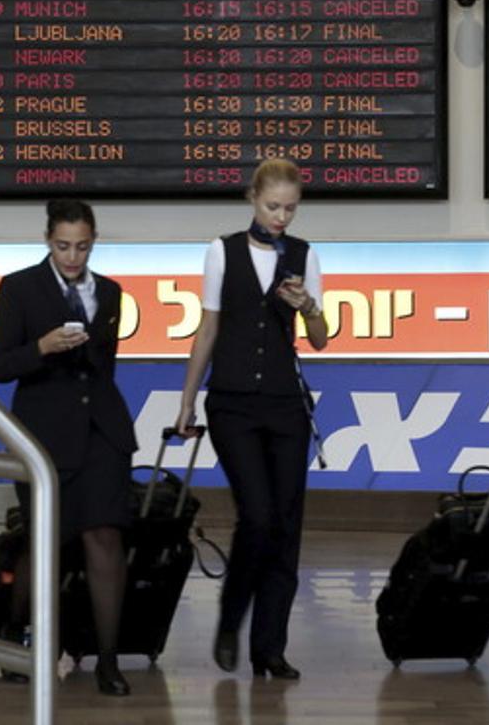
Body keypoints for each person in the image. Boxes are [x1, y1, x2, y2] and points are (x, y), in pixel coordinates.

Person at [175, 158, 328, 680]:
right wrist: (187, 399)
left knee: (286, 527)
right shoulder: (223, 251)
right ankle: (231, 616)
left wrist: (307, 305)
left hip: (286, 404)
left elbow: (322, 336)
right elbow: (208, 327)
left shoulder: (305, 256)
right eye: (272, 206)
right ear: (252, 199)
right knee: (258, 516)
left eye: (290, 208)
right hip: (233, 403)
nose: (282, 216)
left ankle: (269, 647)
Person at [0, 199, 137, 696]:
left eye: (82, 246)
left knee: (105, 537)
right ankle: (16, 636)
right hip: (44, 434)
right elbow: (0, 365)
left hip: (102, 433)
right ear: (48, 240)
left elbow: (105, 367)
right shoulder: (20, 287)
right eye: (63, 245)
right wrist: (42, 349)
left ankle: (109, 659)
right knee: (42, 541)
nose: (73, 256)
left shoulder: (111, 293)